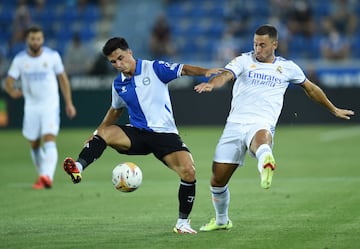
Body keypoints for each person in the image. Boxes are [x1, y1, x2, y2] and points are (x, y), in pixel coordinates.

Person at [194, 24, 354, 231]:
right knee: (217, 180)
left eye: (262, 45)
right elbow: (225, 75)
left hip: (261, 122)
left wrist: (333, 109)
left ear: (275, 44)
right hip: (234, 125)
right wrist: (213, 84)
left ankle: (266, 160)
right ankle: (222, 220)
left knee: (261, 141)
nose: (257, 49)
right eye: (255, 44)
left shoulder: (287, 67)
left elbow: (311, 89)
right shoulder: (244, 60)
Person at [62, 37, 218, 234]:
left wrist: (205, 72)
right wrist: (96, 134)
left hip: (164, 135)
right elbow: (115, 111)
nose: (118, 64)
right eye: (113, 62)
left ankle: (182, 223)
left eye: (120, 58)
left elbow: (183, 69)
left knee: (189, 172)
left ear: (129, 53)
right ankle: (77, 167)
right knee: (104, 132)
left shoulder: (153, 68)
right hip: (137, 135)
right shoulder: (118, 84)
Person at [4, 25, 77, 190]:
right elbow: (8, 81)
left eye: (38, 38)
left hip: (50, 104)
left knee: (49, 138)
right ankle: (42, 175)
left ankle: (47, 176)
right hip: (31, 106)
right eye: (32, 38)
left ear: (42, 40)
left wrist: (69, 103)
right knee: (35, 144)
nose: (36, 41)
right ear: (27, 40)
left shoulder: (52, 56)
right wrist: (12, 91)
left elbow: (63, 80)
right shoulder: (20, 60)